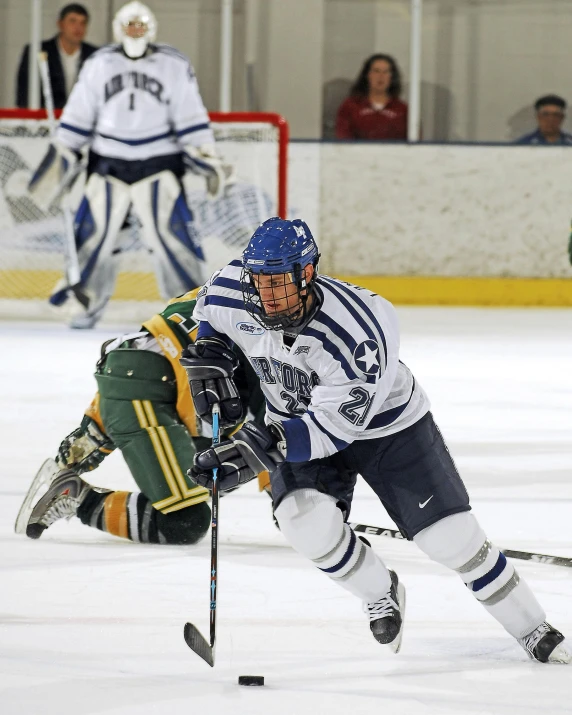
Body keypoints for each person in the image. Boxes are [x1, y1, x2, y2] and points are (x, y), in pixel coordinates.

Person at [179, 216, 571, 664]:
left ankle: (531, 626)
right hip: (290, 421)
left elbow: (331, 428)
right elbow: (208, 314)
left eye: (277, 282)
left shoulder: (360, 329)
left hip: (388, 430)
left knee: (451, 539)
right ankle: (380, 592)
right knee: (302, 522)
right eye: (258, 281)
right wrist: (211, 355)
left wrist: (253, 450)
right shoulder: (233, 288)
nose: (264, 294)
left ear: (306, 274)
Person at [27, 1, 233, 329]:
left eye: (140, 26)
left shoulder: (172, 63)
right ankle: (85, 304)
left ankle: (190, 311)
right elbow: (80, 113)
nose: (135, 32)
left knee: (173, 241)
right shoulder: (99, 63)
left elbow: (190, 113)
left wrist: (205, 153)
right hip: (108, 165)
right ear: (119, 28)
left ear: (150, 28)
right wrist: (63, 151)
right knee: (93, 239)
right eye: (130, 26)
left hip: (159, 166)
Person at [15, 287, 265, 546]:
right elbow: (272, 434)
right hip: (152, 382)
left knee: (227, 461)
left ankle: (94, 436)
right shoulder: (281, 325)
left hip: (145, 368)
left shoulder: (236, 281)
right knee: (185, 521)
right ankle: (77, 497)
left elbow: (171, 327)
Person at [16, 3, 98, 109]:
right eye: (72, 21)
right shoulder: (38, 51)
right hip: (44, 120)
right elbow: (25, 92)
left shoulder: (95, 55)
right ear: (60, 24)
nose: (78, 27)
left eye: (83, 23)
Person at [335, 54, 408, 141]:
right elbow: (343, 140)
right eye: (376, 71)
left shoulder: (402, 109)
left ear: (392, 77)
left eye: (386, 72)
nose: (381, 76)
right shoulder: (350, 106)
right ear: (367, 75)